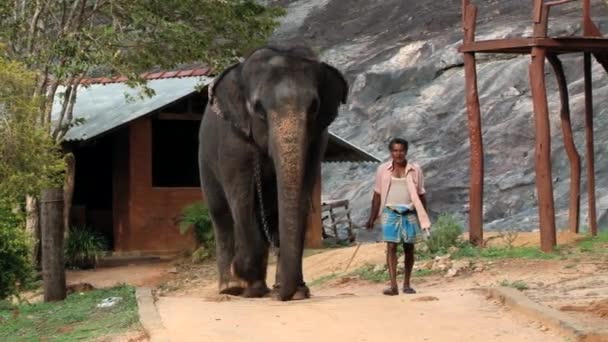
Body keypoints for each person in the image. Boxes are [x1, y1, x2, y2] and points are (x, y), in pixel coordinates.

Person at [366, 138, 431, 296]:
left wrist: (423, 216)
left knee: (409, 248)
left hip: (409, 212)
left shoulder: (415, 170)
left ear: (406, 151)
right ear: (391, 152)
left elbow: (421, 194)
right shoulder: (383, 169)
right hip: (390, 212)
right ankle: (393, 286)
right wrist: (372, 217)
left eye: (401, 150)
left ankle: (407, 284)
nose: (398, 154)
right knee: (391, 247)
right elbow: (377, 194)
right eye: (395, 150)